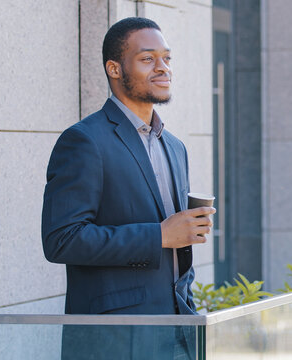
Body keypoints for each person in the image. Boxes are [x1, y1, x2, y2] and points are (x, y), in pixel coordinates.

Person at [41, 17, 214, 359]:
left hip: (179, 331)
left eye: (167, 58)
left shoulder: (175, 147)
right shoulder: (84, 141)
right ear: (115, 69)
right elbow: (61, 240)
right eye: (148, 59)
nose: (163, 68)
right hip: (116, 339)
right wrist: (159, 236)